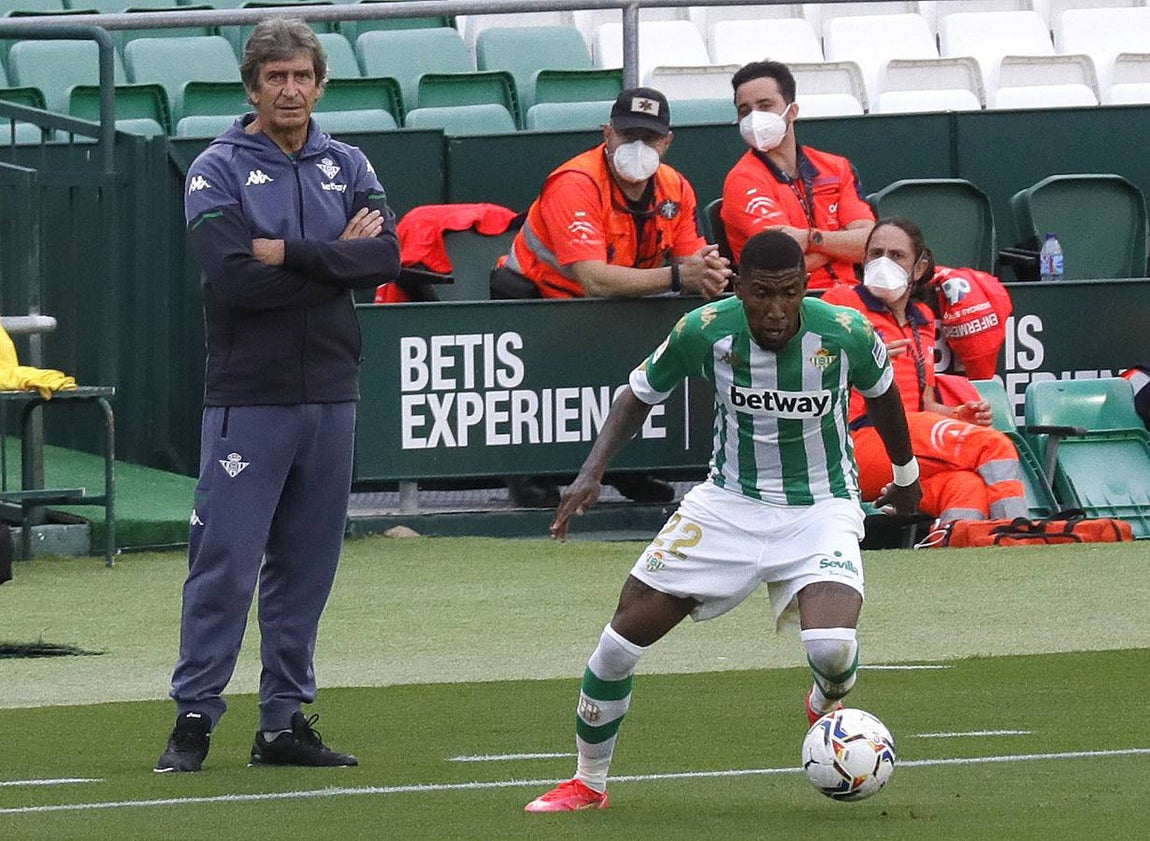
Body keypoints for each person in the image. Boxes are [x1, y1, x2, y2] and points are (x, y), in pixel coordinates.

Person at [523, 230, 922, 813]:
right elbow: (638, 394)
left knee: (832, 646)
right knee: (618, 644)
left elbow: (884, 396)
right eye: (762, 294)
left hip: (821, 507)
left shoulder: (847, 333)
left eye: (789, 294)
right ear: (740, 288)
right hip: (726, 505)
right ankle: (588, 783)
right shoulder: (703, 330)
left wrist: (907, 476)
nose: (776, 310)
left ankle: (825, 694)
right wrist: (592, 471)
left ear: (805, 287)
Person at [154, 18, 401, 773]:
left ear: (320, 83)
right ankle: (194, 716)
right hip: (250, 395)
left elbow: (388, 255)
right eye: (275, 78)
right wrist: (338, 257)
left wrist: (290, 251)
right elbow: (234, 277)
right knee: (225, 560)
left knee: (308, 564)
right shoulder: (216, 168)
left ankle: (283, 723)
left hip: (332, 389)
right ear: (252, 87)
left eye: (301, 76)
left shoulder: (346, 159)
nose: (290, 90)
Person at [493, 86, 733, 507]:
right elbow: (594, 279)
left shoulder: (675, 188)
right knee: (549, 388)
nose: (638, 147)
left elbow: (691, 259)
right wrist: (681, 275)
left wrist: (709, 275)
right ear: (607, 134)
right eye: (627, 136)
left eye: (650, 138)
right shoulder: (576, 182)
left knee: (647, 354)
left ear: (667, 142)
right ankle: (530, 468)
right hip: (539, 301)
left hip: (625, 303)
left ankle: (629, 467)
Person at [822, 218, 1027, 525]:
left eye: (896, 255)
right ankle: (1019, 532)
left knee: (966, 488)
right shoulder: (842, 302)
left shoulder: (924, 318)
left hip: (908, 445)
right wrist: (859, 361)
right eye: (875, 254)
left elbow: (925, 404)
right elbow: (814, 367)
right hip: (858, 442)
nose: (883, 263)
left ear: (918, 268)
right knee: (993, 444)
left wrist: (958, 415)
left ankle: (964, 556)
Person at [720, 60, 874, 289]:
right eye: (745, 111)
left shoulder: (836, 167)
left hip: (857, 293)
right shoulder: (742, 180)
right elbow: (782, 263)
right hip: (790, 303)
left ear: (792, 111)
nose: (754, 118)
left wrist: (810, 239)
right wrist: (842, 243)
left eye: (765, 105)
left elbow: (871, 245)